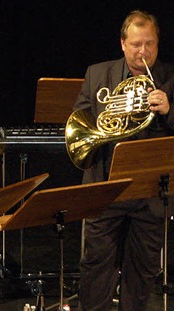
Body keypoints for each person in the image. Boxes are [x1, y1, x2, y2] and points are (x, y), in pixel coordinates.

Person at [74, 10, 174, 310]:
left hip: (149, 193)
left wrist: (170, 110)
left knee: (141, 273)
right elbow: (79, 120)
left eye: (150, 44)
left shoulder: (170, 79)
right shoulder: (98, 74)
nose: (143, 51)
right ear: (122, 44)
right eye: (136, 44)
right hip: (105, 187)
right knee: (96, 268)